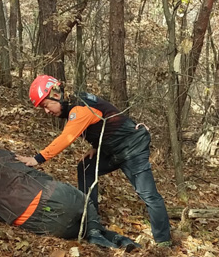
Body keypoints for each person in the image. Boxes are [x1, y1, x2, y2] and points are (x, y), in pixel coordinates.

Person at [16, 75, 172, 246]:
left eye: (46, 105)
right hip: (112, 149)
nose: (47, 111)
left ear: (56, 94)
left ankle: (163, 241)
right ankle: (91, 220)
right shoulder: (77, 104)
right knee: (86, 167)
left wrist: (36, 159)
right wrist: (96, 147)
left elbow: (66, 138)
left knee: (148, 193)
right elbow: (105, 122)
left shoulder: (79, 109)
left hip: (132, 148)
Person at [0, 149, 139, 251]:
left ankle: (98, 236)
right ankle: (109, 236)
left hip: (37, 221)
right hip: (55, 193)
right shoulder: (2, 157)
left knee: (78, 230)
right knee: (85, 203)